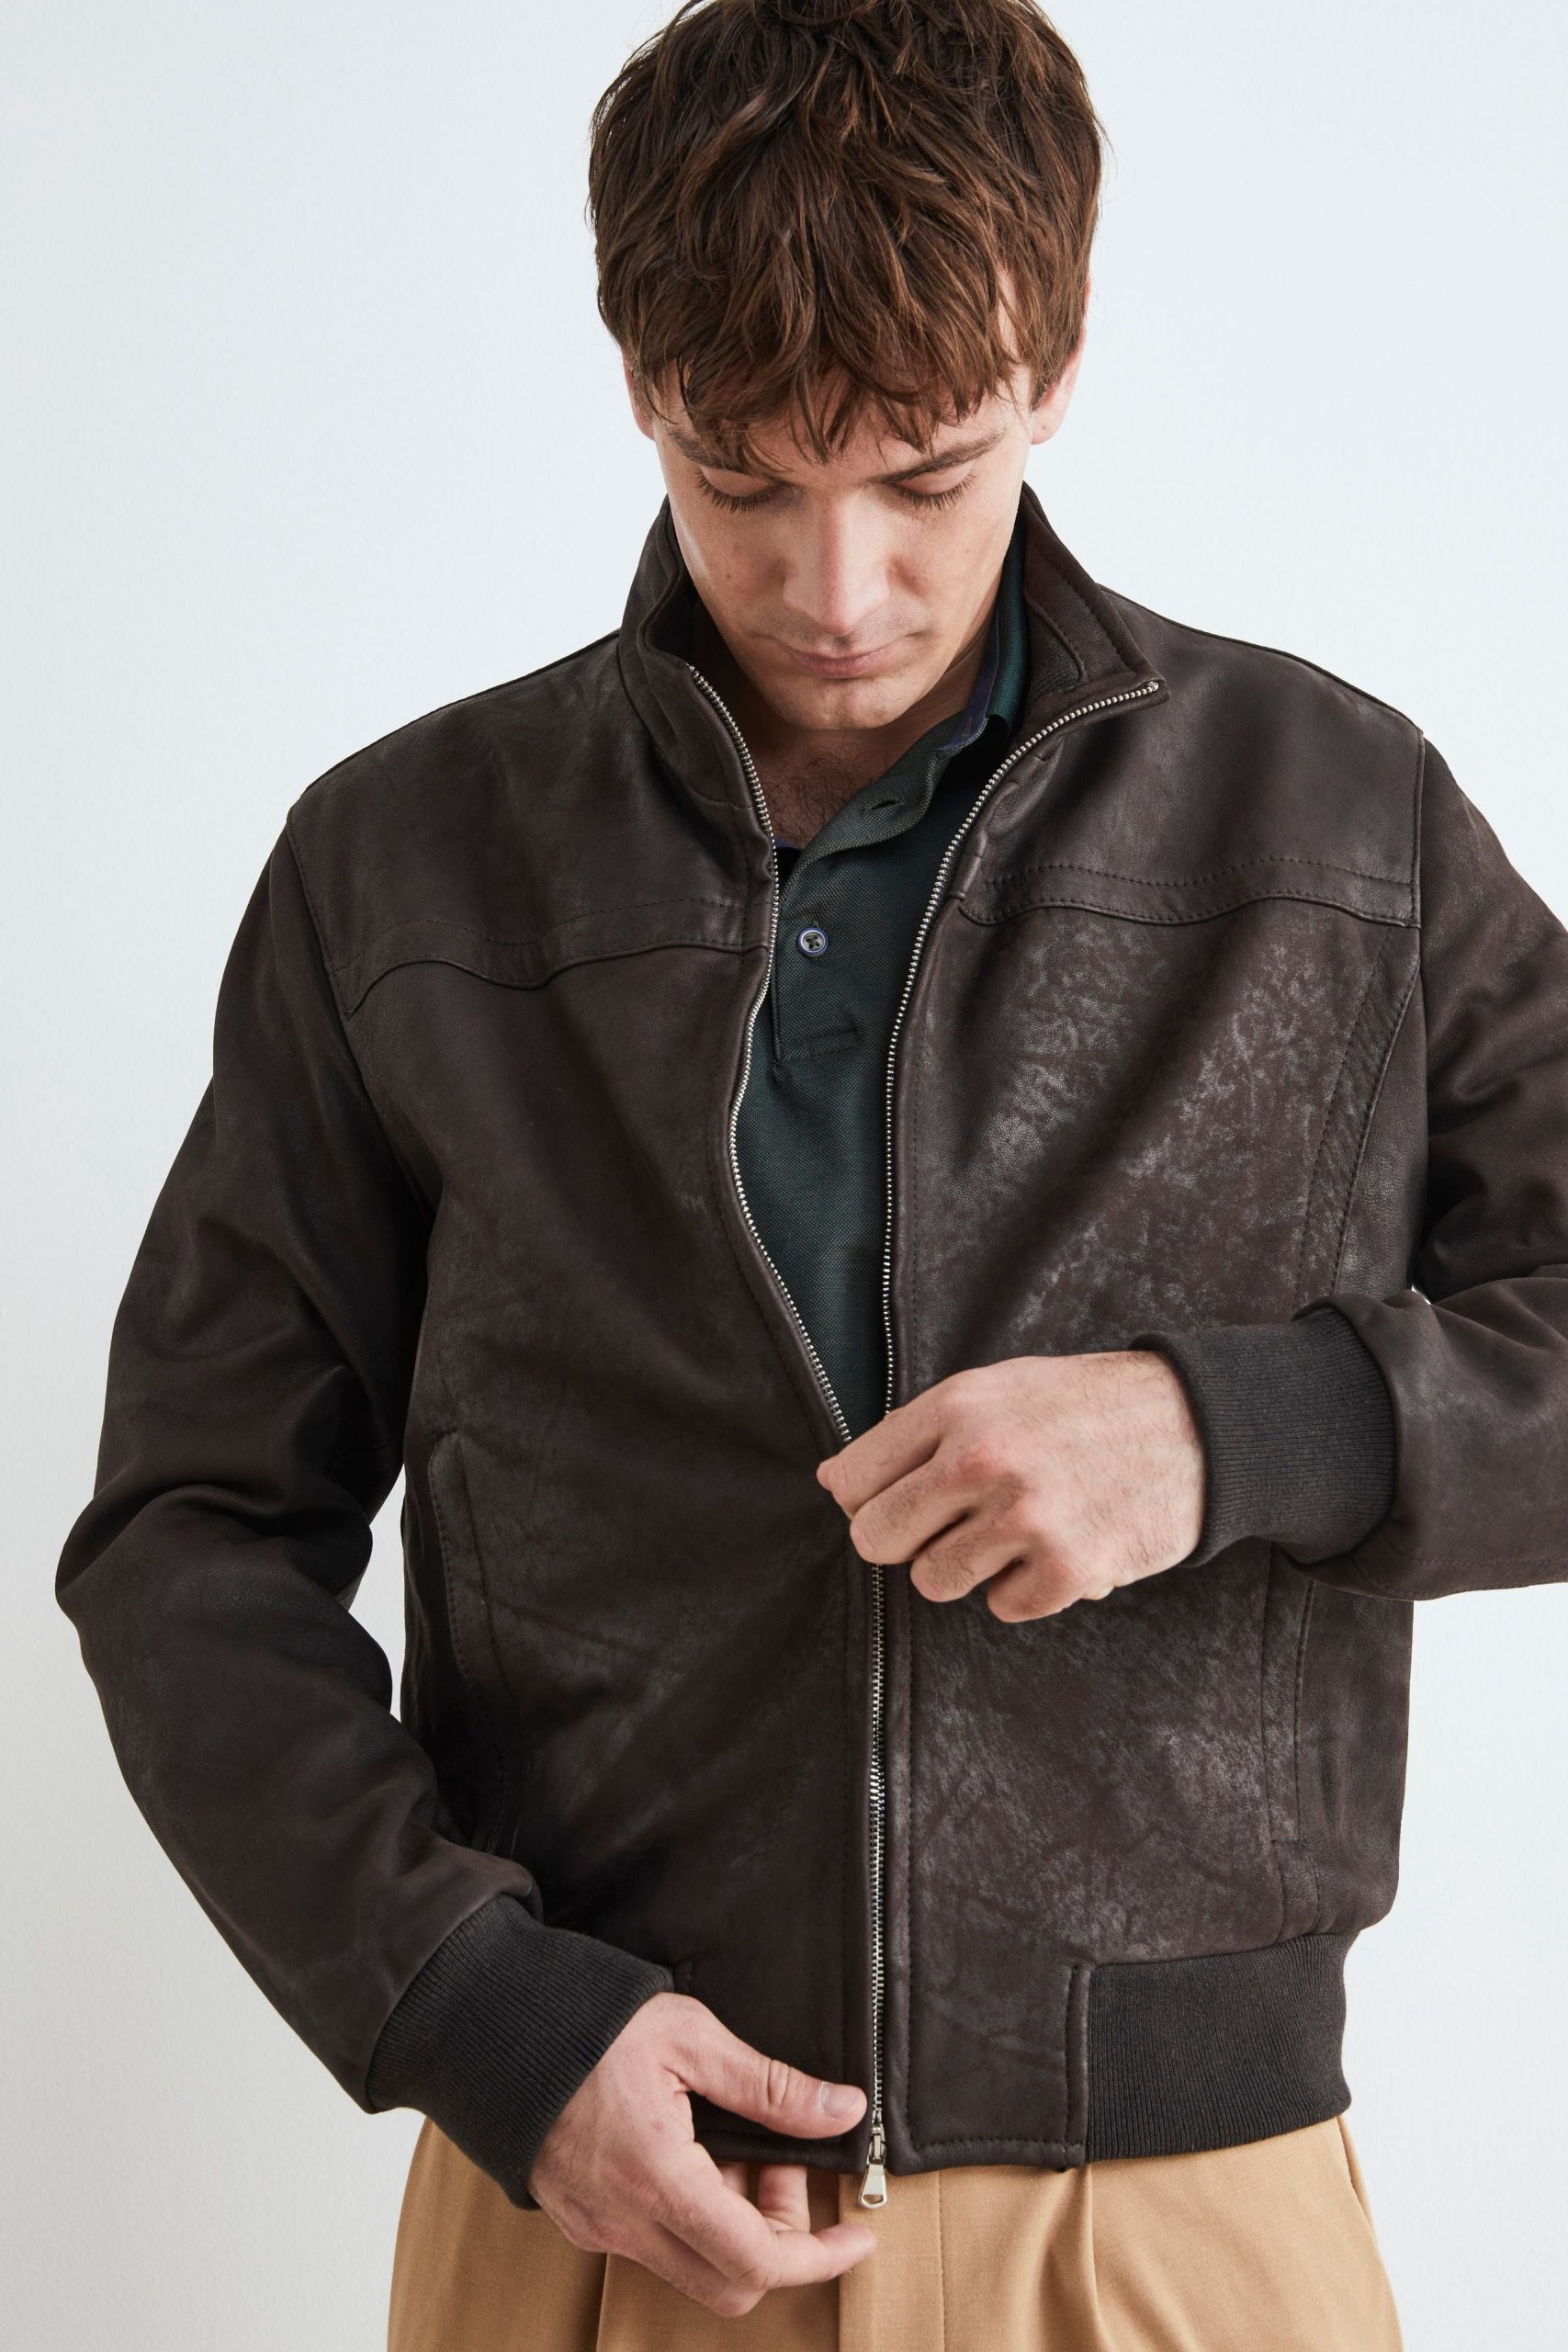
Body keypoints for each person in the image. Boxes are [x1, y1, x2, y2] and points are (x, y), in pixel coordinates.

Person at [54, 0, 1568, 2345]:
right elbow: (189, 1532)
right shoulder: (405, 864)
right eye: (739, 478)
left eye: (925, 475)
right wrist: (480, 2012)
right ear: (632, 382)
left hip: (1179, 2228)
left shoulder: (1331, 820)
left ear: (1054, 362)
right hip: (606, 2191)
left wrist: (1239, 1424)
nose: (836, 585)